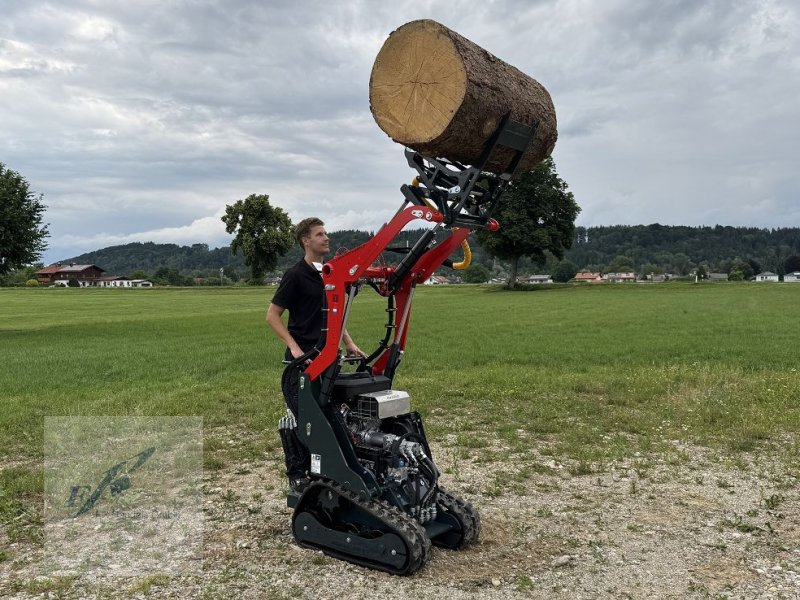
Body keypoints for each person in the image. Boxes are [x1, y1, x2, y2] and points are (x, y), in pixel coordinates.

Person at [266, 217, 365, 489]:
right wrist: (296, 348)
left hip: (328, 358)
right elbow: (272, 316)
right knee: (304, 419)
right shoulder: (295, 275)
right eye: (320, 234)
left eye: (326, 233)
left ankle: (326, 472)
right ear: (305, 241)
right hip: (302, 363)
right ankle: (297, 476)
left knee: (330, 417)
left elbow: (333, 317)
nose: (326, 238)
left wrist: (348, 342)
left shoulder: (328, 275)